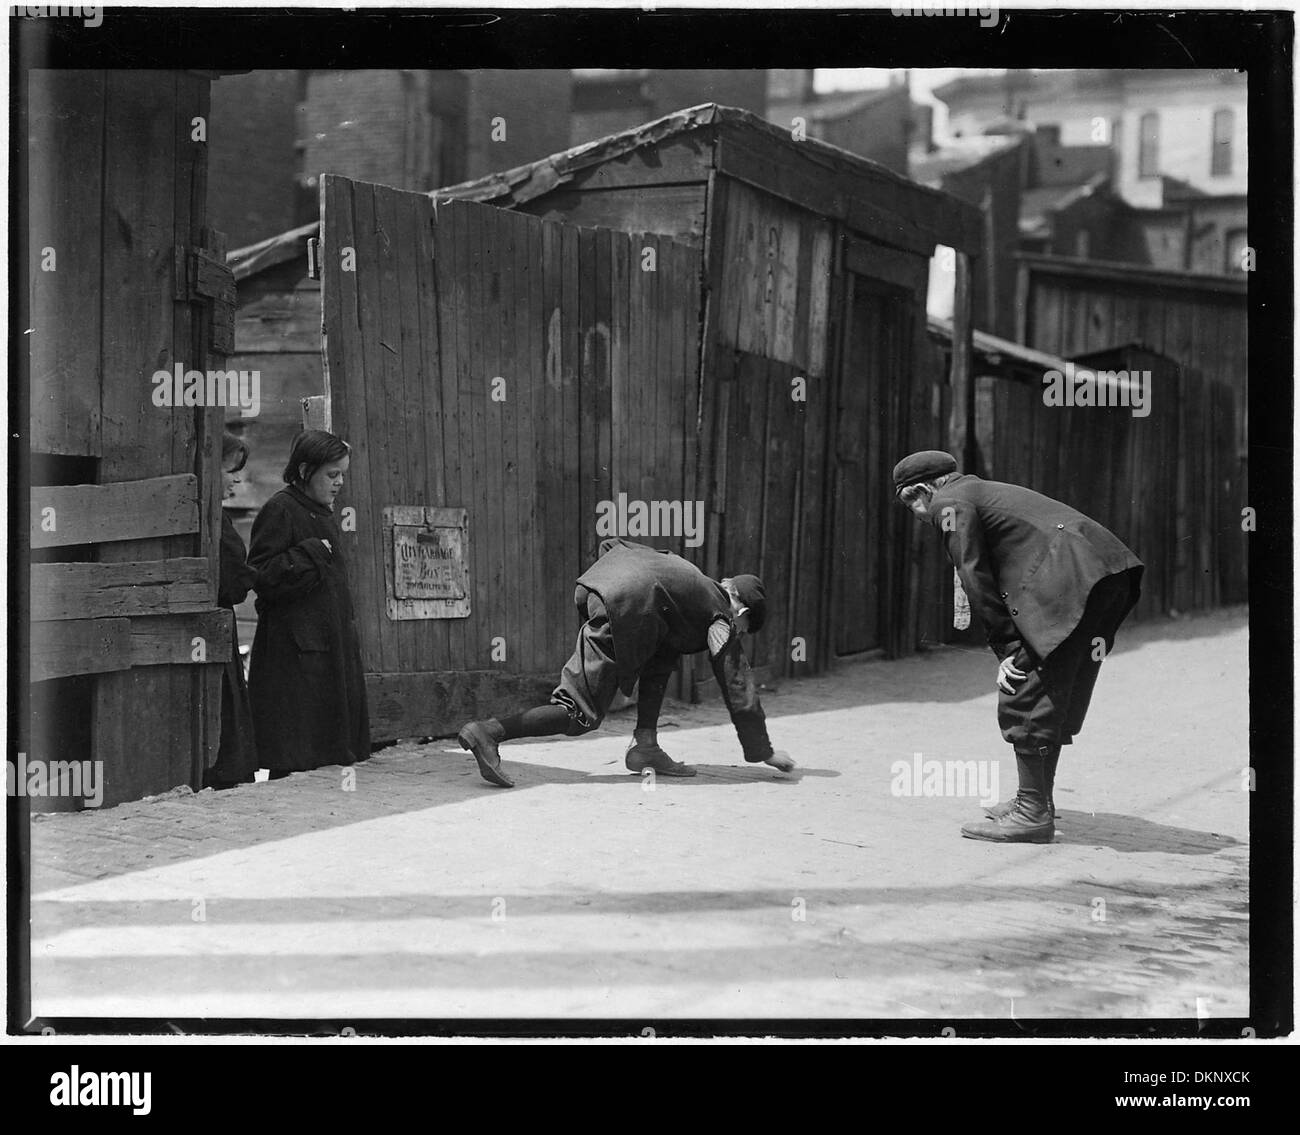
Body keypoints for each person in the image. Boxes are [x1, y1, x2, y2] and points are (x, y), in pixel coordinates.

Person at [893, 450, 1144, 844]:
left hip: (1072, 579)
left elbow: (974, 575)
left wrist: (1007, 648)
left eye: (911, 503)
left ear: (923, 489)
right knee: (1051, 689)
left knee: (1023, 685)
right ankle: (1035, 801)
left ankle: (1032, 813)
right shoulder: (976, 491)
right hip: (1105, 575)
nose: (918, 515)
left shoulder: (949, 502)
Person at [457, 537, 795, 787]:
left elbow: (614, 546)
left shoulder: (691, 584)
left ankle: (645, 746)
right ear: (743, 611)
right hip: (629, 603)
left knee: (664, 653)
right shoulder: (719, 613)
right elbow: (735, 679)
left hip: (603, 586)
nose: (738, 632)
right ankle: (488, 733)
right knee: (579, 714)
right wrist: (762, 750)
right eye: (744, 629)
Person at [248, 429, 370, 776]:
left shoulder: (320, 512)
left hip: (324, 650)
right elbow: (261, 575)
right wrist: (311, 552)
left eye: (342, 474)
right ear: (304, 471)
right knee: (296, 755)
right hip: (294, 656)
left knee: (326, 758)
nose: (339, 483)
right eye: (332, 475)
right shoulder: (281, 509)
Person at [202, 431, 260, 790]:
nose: (236, 478)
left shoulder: (215, 515)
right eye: (230, 469)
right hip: (215, 624)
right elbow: (235, 580)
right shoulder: (213, 519)